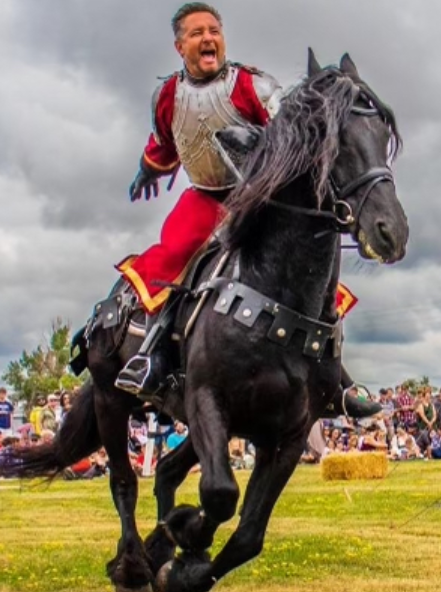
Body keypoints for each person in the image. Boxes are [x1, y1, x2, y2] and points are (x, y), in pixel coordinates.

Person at [108, 3, 377, 419]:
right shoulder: (167, 96)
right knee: (173, 258)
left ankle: (336, 381)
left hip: (256, 195)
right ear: (180, 46)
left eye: (213, 30)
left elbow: (291, 135)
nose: (208, 38)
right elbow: (164, 142)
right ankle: (152, 355)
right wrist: (147, 170)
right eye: (197, 33)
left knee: (304, 267)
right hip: (203, 198)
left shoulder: (253, 85)